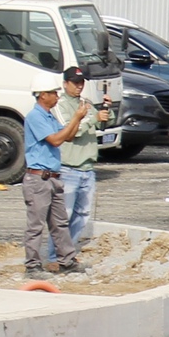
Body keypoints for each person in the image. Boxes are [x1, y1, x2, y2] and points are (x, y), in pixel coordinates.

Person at [20, 85, 84, 277]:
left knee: (59, 223)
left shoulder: (48, 115)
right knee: (36, 224)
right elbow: (55, 140)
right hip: (39, 178)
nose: (57, 97)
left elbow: (69, 136)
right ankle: (32, 266)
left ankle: (67, 260)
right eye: (53, 93)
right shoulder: (35, 116)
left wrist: (77, 120)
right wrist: (75, 118)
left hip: (52, 177)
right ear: (42, 95)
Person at [52, 67, 109, 247]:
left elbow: (102, 122)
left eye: (81, 83)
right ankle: (55, 254)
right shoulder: (60, 105)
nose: (79, 86)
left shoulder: (86, 102)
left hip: (87, 168)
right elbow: (70, 131)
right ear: (65, 84)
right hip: (69, 168)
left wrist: (108, 109)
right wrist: (93, 118)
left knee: (83, 214)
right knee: (64, 215)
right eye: (75, 83)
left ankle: (69, 250)